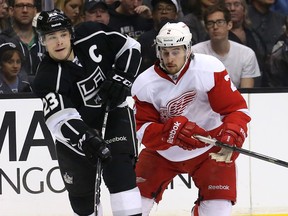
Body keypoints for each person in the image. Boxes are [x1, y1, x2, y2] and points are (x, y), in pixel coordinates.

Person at [131, 21, 251, 216]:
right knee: (133, 208)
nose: (170, 58)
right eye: (165, 52)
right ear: (158, 51)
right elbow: (142, 131)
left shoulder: (208, 69)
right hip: (162, 153)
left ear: (187, 50)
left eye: (176, 51)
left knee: (218, 211)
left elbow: (236, 110)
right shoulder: (144, 84)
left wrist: (231, 134)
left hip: (209, 149)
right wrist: (170, 132)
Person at [33, 9, 142, 216]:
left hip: (113, 117)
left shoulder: (93, 33)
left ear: (71, 34)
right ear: (42, 41)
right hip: (79, 138)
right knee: (83, 203)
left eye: (63, 34)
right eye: (51, 37)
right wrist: (86, 138)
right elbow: (59, 119)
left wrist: (122, 77)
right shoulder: (46, 78)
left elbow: (130, 47)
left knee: (121, 177)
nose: (59, 42)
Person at [192, 4, 260, 88]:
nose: (215, 27)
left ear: (229, 25)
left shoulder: (246, 54)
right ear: (206, 28)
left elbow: (246, 93)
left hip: (237, 100)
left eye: (220, 22)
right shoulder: (195, 53)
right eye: (210, 23)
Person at [0, 0, 45, 82]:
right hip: (12, 94)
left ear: (35, 11)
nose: (25, 10)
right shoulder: (2, 40)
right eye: (20, 6)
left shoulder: (45, 39)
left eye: (29, 6)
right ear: (11, 11)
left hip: (43, 93)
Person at [224, 0, 266, 86]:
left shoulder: (253, 34)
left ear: (244, 9)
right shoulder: (217, 37)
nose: (232, 9)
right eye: (228, 5)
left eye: (237, 5)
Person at [138, 0, 179, 72]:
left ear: (176, 15)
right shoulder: (144, 39)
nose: (164, 12)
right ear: (153, 14)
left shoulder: (183, 37)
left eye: (169, 9)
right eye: (159, 9)